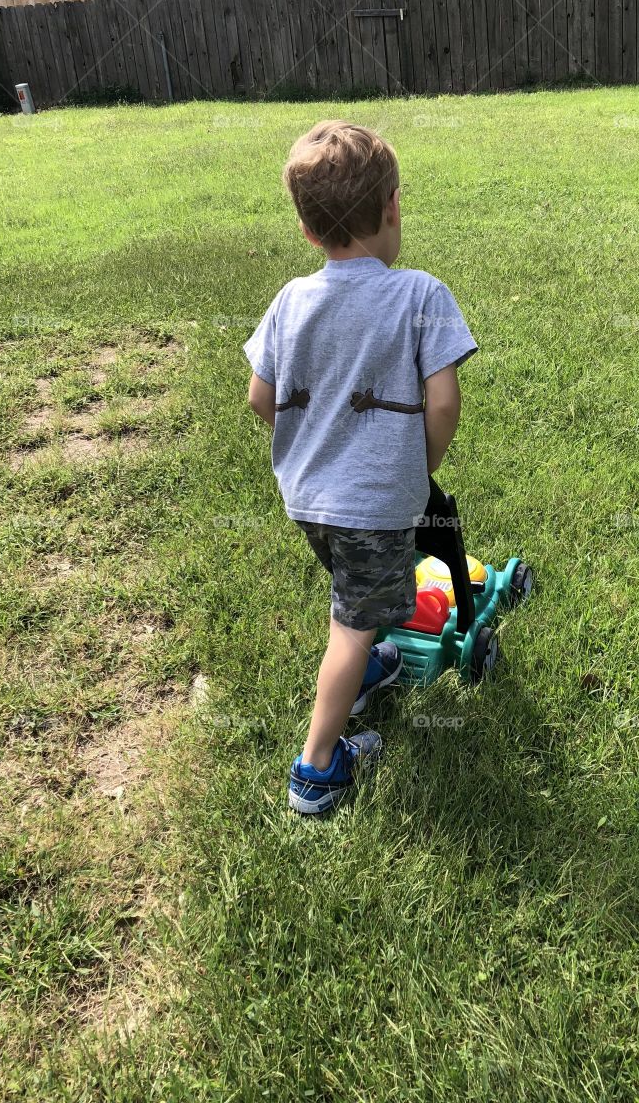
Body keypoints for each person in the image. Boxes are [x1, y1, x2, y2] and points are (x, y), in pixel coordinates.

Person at [245, 121, 477, 815]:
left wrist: (317, 443)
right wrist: (418, 465)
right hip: (376, 506)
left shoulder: (291, 300)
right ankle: (317, 770)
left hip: (307, 500)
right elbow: (443, 401)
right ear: (393, 207)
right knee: (350, 619)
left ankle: (368, 667)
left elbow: (261, 398)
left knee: (357, 590)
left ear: (308, 231)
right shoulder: (420, 295)